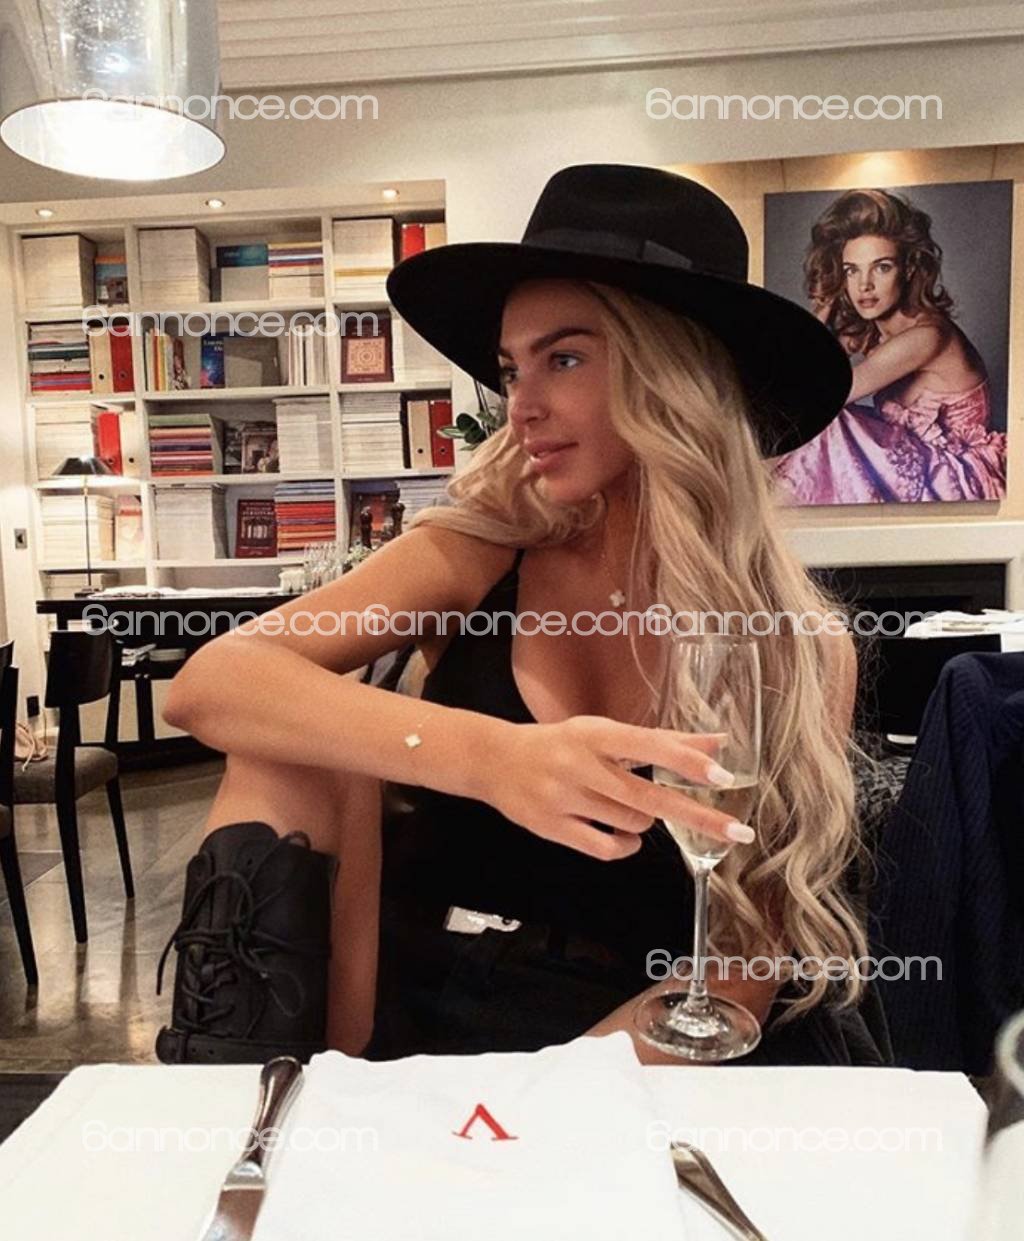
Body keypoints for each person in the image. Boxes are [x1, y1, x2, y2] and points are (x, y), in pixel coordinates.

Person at [154, 164, 888, 1068]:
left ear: (678, 373)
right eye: (511, 369)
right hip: (436, 1010)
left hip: (646, 1048)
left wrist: (543, 1105)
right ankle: (233, 1117)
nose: (521, 405)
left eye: (564, 358)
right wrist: (496, 758)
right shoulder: (481, 553)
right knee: (281, 737)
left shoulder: (798, 649)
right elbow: (211, 683)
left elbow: (737, 975)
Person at [770, 187, 1007, 504]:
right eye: (851, 270)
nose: (864, 285)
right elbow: (794, 384)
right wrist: (823, 311)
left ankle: (768, 518)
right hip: (916, 466)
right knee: (807, 426)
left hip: (959, 478)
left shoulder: (927, 336)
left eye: (881, 267)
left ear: (908, 268)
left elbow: (818, 399)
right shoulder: (871, 332)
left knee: (825, 423)